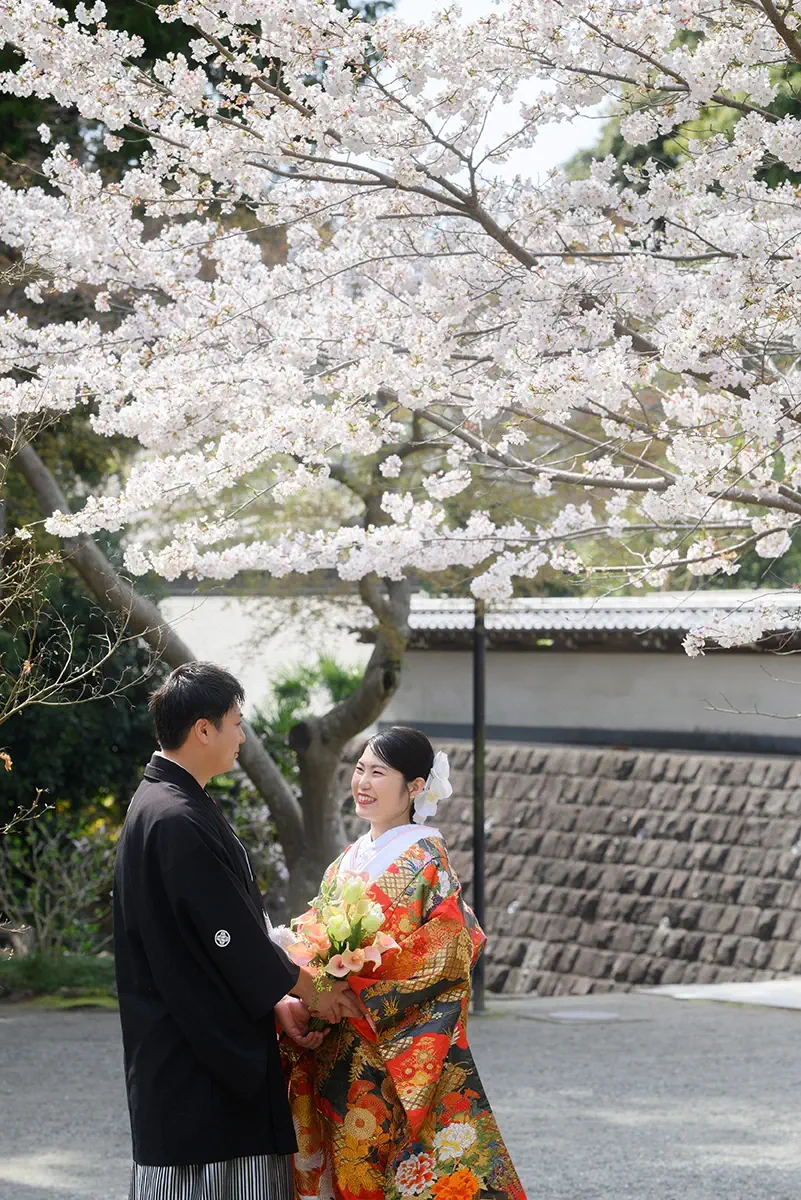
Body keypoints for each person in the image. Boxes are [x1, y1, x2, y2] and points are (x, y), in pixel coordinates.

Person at [113, 661, 362, 1200]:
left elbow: (218, 936)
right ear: (203, 729)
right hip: (198, 1063)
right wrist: (311, 988)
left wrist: (277, 1002)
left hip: (190, 1046)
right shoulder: (174, 816)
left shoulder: (167, 803)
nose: (242, 736)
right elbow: (231, 938)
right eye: (236, 723)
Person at [281, 725, 527, 1200]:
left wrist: (361, 987)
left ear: (415, 787)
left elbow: (450, 947)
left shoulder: (427, 859)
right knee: (346, 1166)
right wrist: (312, 981)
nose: (363, 783)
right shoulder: (347, 860)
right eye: (359, 770)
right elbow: (312, 930)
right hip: (337, 1038)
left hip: (390, 1043)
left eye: (378, 772)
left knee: (385, 1167)